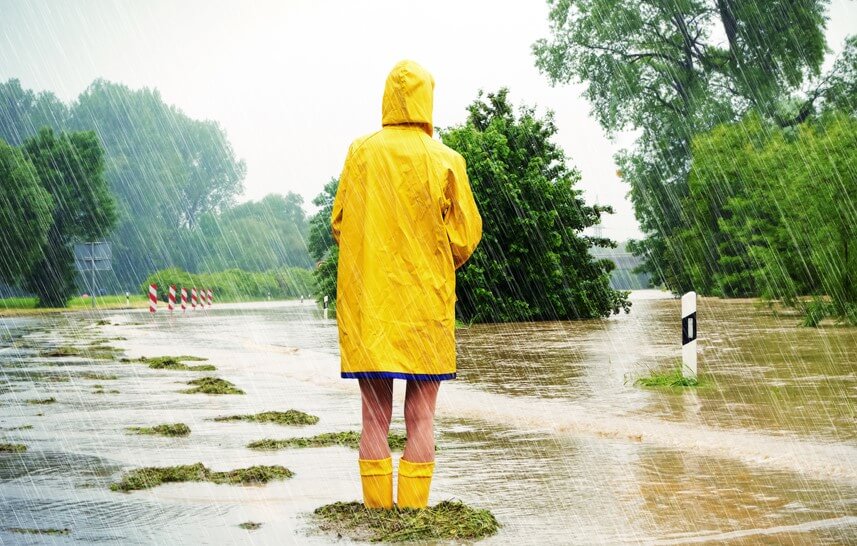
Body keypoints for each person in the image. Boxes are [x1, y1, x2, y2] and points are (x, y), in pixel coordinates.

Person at [331, 60, 482, 510]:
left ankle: (377, 520)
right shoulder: (446, 160)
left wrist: (373, 249)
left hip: (370, 306)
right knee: (421, 416)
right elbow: (466, 235)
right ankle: (414, 517)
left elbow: (340, 223)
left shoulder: (361, 152)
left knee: (374, 417)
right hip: (425, 307)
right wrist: (434, 256)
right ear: (427, 101)